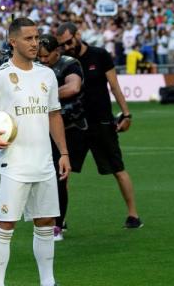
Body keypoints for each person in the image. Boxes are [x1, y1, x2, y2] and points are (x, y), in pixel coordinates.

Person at [0, 17, 70, 286]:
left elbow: (55, 115)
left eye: (37, 38)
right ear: (13, 42)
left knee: (46, 223)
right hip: (12, 165)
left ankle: (48, 281)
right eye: (29, 38)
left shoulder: (46, 74)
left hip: (44, 163)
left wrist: (64, 154)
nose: (35, 43)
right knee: (5, 226)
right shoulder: (0, 76)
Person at [56, 22, 142, 229]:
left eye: (69, 41)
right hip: (74, 125)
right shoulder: (63, 62)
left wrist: (127, 114)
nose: (67, 47)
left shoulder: (100, 55)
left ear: (78, 35)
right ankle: (60, 219)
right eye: (62, 44)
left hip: (102, 122)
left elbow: (114, 86)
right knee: (64, 173)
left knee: (118, 169)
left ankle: (133, 215)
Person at [38, 34, 85, 241]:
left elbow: (74, 87)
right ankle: (55, 220)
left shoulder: (69, 64)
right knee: (48, 177)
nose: (43, 60)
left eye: (46, 56)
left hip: (69, 127)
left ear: (57, 51)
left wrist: (45, 95)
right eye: (40, 56)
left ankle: (57, 225)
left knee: (60, 177)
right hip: (44, 128)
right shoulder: (38, 67)